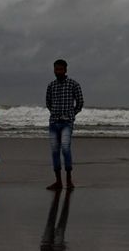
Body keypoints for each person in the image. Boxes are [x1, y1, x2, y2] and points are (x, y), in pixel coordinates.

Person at [45, 59, 84, 190]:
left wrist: (71, 115)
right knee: (55, 151)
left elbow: (80, 103)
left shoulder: (73, 85)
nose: (58, 72)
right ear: (54, 70)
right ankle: (58, 181)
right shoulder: (51, 86)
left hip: (67, 122)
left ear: (66, 70)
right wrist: (55, 113)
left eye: (61, 69)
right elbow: (48, 103)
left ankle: (69, 179)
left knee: (66, 149)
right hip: (54, 122)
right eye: (56, 69)